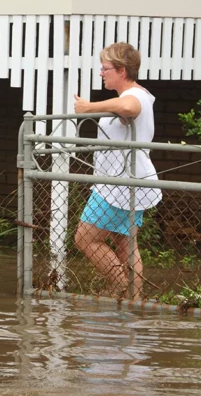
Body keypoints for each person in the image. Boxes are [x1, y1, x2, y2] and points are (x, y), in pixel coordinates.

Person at [72, 42, 162, 300]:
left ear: (122, 71)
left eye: (105, 68)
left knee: (85, 238)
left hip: (120, 184)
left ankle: (121, 285)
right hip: (125, 181)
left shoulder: (135, 96)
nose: (101, 73)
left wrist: (89, 107)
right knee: (126, 244)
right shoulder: (131, 95)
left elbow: (129, 108)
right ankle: (134, 299)